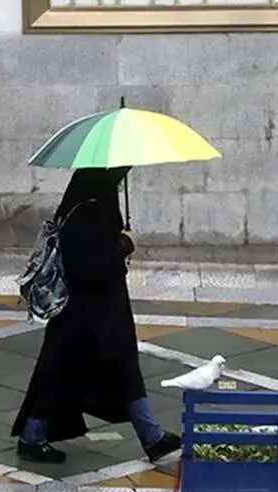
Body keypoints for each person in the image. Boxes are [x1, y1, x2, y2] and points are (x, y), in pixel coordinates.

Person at [11, 167, 180, 465]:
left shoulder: (85, 206)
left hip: (91, 313)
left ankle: (151, 437)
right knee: (89, 373)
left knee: (97, 372)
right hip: (92, 315)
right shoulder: (89, 213)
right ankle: (33, 438)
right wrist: (126, 243)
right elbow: (90, 266)